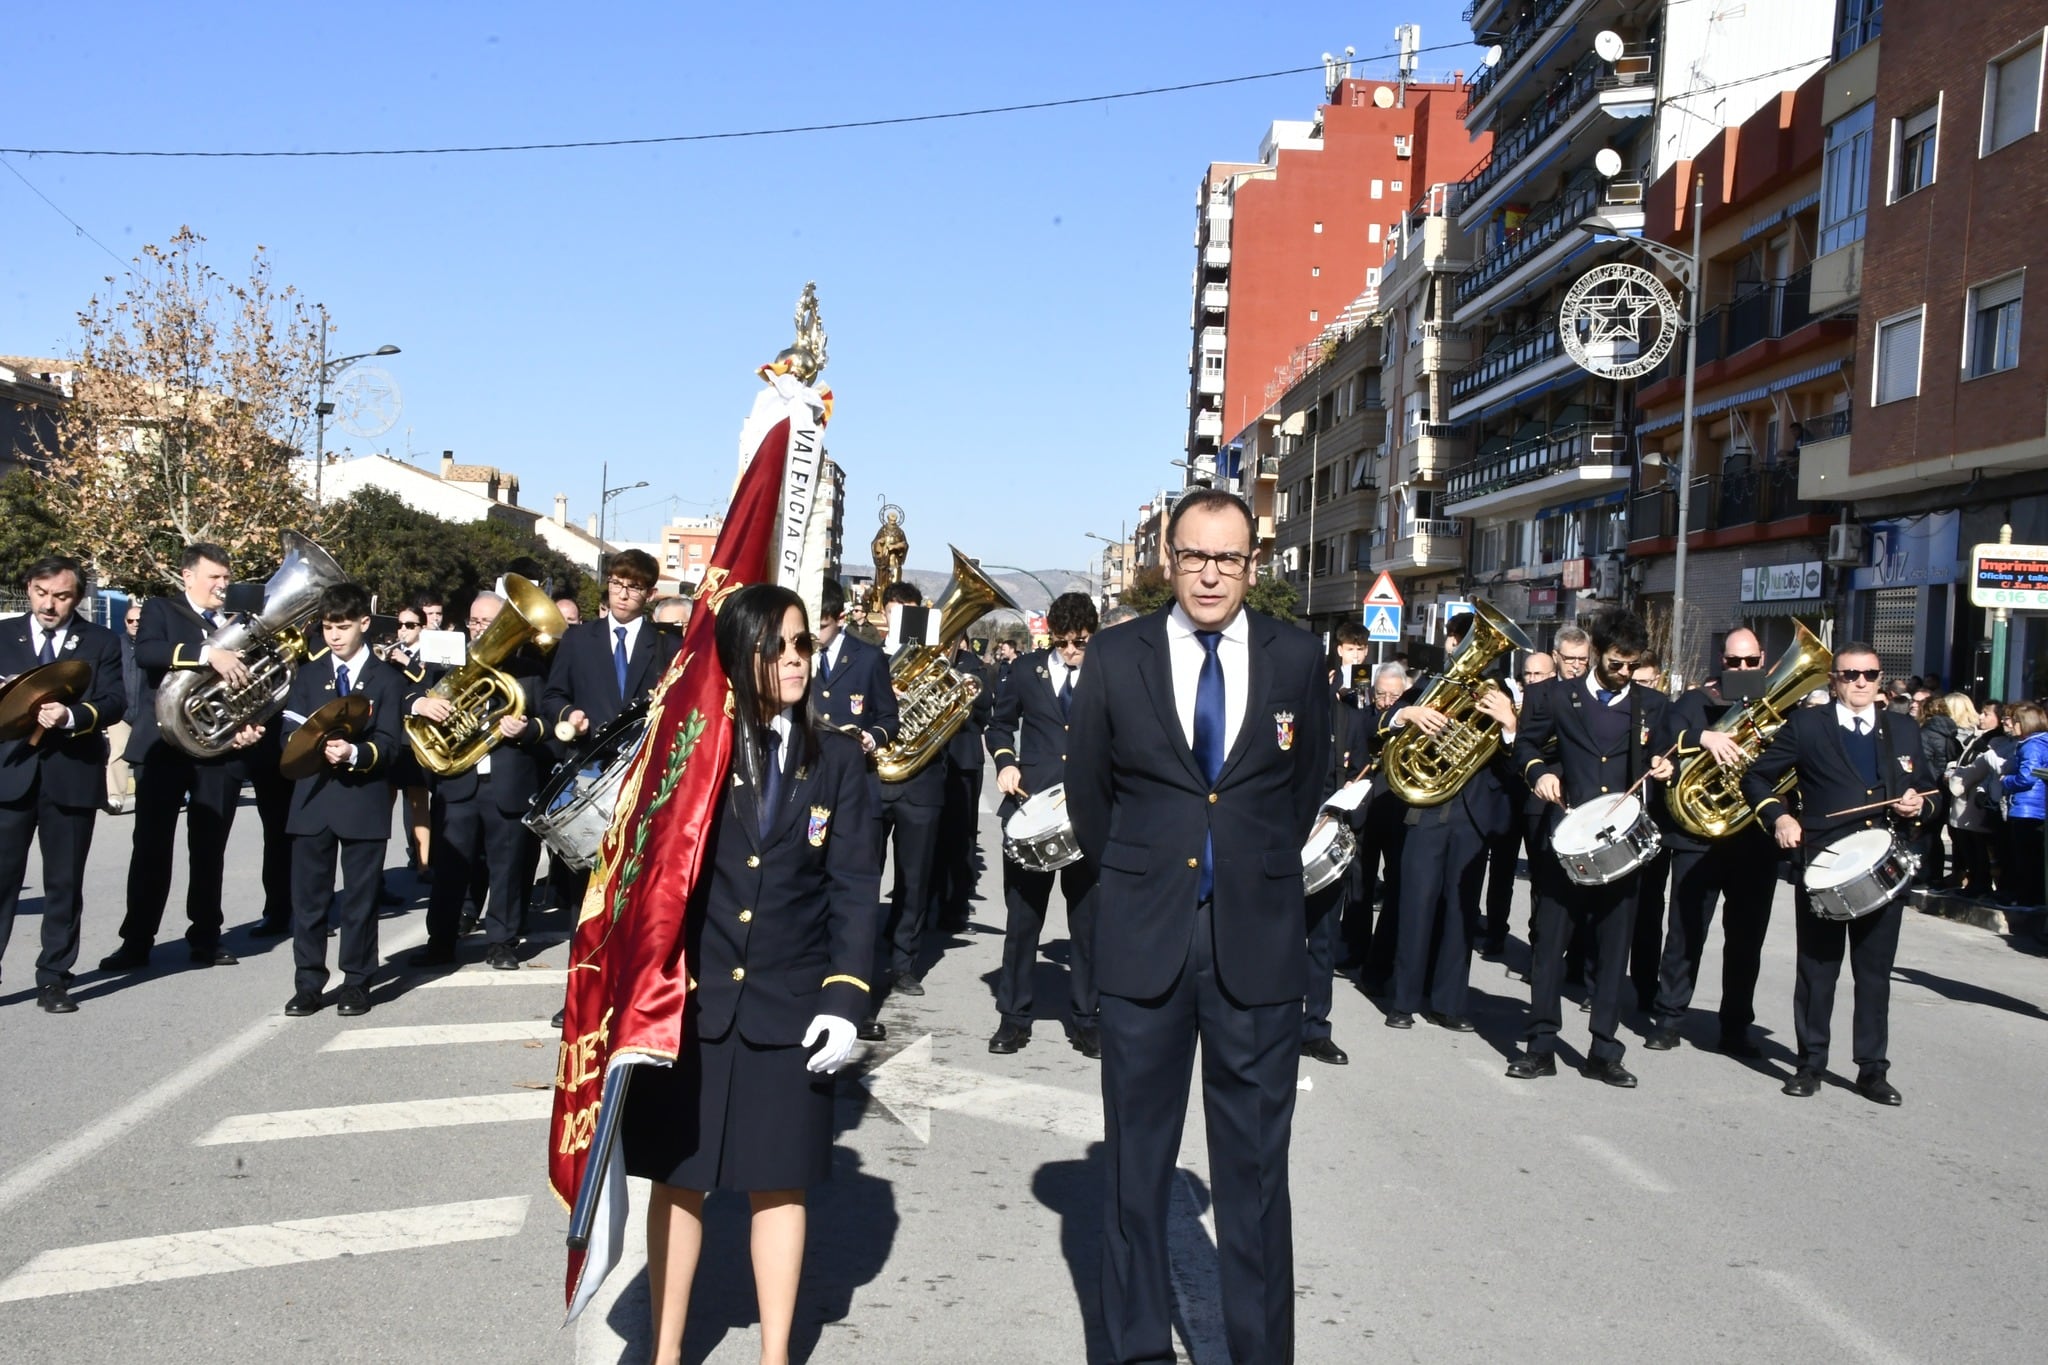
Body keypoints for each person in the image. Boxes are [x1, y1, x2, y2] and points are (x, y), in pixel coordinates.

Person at [1067, 488, 1330, 1364]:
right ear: (1169, 560)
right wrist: (1149, 878)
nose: (1211, 573)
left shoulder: (1297, 656)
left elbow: (1301, 790)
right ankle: (1138, 1349)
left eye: (1228, 558)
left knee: (1256, 1180)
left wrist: (1241, 872)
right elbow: (1089, 799)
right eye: (1194, 555)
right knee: (1135, 1174)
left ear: (1254, 564)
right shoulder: (1115, 655)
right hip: (1145, 948)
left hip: (1256, 947)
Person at [620, 584, 879, 1365]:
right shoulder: (698, 750)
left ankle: (775, 1355)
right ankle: (665, 1351)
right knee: (678, 1181)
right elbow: (652, 871)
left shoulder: (836, 759)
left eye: (803, 643)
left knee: (780, 1184)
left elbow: (855, 886)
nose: (796, 658)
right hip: (694, 1004)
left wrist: (847, 998)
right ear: (742, 656)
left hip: (789, 1004)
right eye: (779, 646)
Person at [1743, 643, 1936, 1104]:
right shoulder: (1808, 725)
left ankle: (1872, 1069)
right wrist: (1780, 818)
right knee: (1818, 970)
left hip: (1884, 867)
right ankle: (1810, 1063)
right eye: (1850, 675)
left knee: (1874, 973)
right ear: (1835, 679)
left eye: (1869, 675)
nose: (1861, 683)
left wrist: (1920, 804)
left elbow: (1930, 789)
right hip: (1825, 866)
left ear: (1880, 678)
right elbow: (1757, 777)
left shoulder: (1903, 728)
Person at [1509, 609, 1674, 1087]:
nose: (1624, 672)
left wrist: (1668, 769)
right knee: (1550, 945)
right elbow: (1525, 747)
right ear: (1598, 654)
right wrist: (1539, 772)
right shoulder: (1553, 696)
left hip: (1621, 845)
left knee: (1611, 948)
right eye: (1617, 663)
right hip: (1566, 836)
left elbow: (1667, 755)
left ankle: (1605, 1048)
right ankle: (1540, 1044)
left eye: (1632, 665)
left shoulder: (1652, 704)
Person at [105, 542, 262, 971]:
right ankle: (136, 940)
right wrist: (209, 653)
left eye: (226, 578)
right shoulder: (162, 609)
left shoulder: (240, 623)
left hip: (216, 749)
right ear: (188, 576)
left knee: (210, 849)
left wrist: (248, 724)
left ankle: (206, 937)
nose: (222, 585)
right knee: (152, 848)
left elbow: (252, 686)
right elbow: (149, 653)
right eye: (214, 577)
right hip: (164, 747)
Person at [1376, 615, 1518, 1035]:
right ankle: (1402, 999)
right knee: (1415, 908)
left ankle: (1449, 1003)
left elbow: (1514, 756)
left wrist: (1510, 726)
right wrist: (1408, 715)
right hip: (1426, 811)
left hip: (1472, 814)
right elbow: (1381, 726)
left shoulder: (1501, 693)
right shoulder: (1427, 688)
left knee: (1461, 914)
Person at [0, 556, 127, 1011]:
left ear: (78, 597)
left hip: (70, 774)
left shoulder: (100, 640)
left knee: (63, 882)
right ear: (29, 588)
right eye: (41, 593)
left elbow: (115, 700)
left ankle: (54, 978)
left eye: (62, 596)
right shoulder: (3, 635)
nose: (49, 604)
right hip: (9, 775)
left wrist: (71, 716)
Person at [1644, 628, 1778, 1057]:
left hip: (1753, 839)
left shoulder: (1778, 706)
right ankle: (1668, 1018)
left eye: (1750, 662)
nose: (1742, 669)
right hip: (1697, 837)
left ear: (1763, 660)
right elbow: (1660, 743)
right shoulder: (1691, 703)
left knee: (1746, 940)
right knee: (1685, 933)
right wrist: (1703, 737)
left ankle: (1736, 1027)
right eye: (1734, 662)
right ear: (1721, 661)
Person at [280, 584, 405, 1018]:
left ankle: (356, 981)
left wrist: (354, 753)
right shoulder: (310, 675)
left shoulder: (387, 679)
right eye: (328, 627)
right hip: (313, 800)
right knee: (310, 900)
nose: (334, 636)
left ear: (364, 624)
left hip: (362, 801)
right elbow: (289, 731)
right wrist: (311, 746)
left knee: (359, 898)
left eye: (343, 626)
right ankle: (308, 982)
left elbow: (391, 744)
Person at [409, 591, 552, 969]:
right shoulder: (445, 667)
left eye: (488, 622)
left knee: (507, 867)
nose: (480, 630)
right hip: (459, 783)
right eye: (474, 621)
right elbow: (405, 690)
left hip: (508, 784)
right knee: (451, 869)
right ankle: (440, 941)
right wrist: (420, 703)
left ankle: (502, 943)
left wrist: (526, 729)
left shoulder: (530, 674)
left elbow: (549, 725)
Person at [987, 592, 1100, 1057]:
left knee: (1089, 924)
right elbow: (998, 725)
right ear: (1050, 635)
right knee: (1023, 922)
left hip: (1088, 813)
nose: (1072, 651)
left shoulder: (1105, 671)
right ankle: (1014, 1018)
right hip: (1031, 807)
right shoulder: (1025, 671)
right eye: (1064, 642)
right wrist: (1006, 762)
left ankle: (1087, 1019)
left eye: (1081, 642)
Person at [541, 550, 680, 919]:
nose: (621, 594)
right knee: (585, 888)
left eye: (633, 588)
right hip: (589, 771)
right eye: (617, 584)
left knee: (636, 884)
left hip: (643, 776)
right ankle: (583, 967)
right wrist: (569, 713)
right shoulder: (578, 639)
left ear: (650, 595)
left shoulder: (669, 645)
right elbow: (553, 695)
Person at [810, 578, 900, 1040]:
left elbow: (889, 719)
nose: (813, 637)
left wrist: (873, 738)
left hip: (854, 787)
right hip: (806, 787)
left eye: (821, 627)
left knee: (855, 897)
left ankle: (854, 1001)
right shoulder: (796, 655)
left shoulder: (868, 658)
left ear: (839, 620)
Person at [870, 580, 948, 1002]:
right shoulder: (865, 655)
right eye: (896, 610)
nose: (902, 617)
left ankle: (903, 964)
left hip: (921, 783)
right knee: (863, 874)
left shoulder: (939, 656)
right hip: (875, 781)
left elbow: (966, 703)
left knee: (914, 881)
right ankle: (859, 960)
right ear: (884, 613)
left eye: (911, 610)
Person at [1480, 651, 1557, 958]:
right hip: (1509, 797)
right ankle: (1495, 932)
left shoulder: (1556, 705)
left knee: (1540, 874)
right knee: (1500, 871)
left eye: (1539, 675)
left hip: (1540, 801)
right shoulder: (1513, 704)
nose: (1532, 680)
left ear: (1552, 676)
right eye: (1528, 675)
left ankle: (1538, 941)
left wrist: (1513, 725)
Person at [1346, 663, 1410, 985]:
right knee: (1359, 882)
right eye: (1381, 693)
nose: (1386, 700)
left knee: (1397, 881)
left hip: (1399, 810)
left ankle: (1385, 956)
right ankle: (1355, 948)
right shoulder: (1367, 714)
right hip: (1365, 808)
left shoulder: (1412, 714)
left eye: (1394, 695)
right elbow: (1373, 727)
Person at [932, 635, 994, 934]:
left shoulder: (972, 665)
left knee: (961, 836)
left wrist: (960, 684)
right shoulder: (925, 662)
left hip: (963, 757)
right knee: (927, 835)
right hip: (929, 758)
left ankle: (955, 909)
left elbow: (985, 707)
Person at [1997, 702, 2048, 913]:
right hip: (2036, 807)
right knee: (2031, 856)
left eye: (2015, 721)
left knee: (2026, 857)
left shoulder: (2032, 746)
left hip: (2027, 807)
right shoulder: (2038, 743)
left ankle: (2027, 898)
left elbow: (2026, 777)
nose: (2011, 725)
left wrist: (2005, 780)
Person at [105, 599, 143, 814]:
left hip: (148, 710)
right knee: (118, 753)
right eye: (131, 620)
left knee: (150, 755)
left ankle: (152, 793)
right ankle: (115, 798)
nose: (135, 623)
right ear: (125, 622)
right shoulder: (115, 645)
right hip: (121, 710)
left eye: (139, 620)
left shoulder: (153, 645)